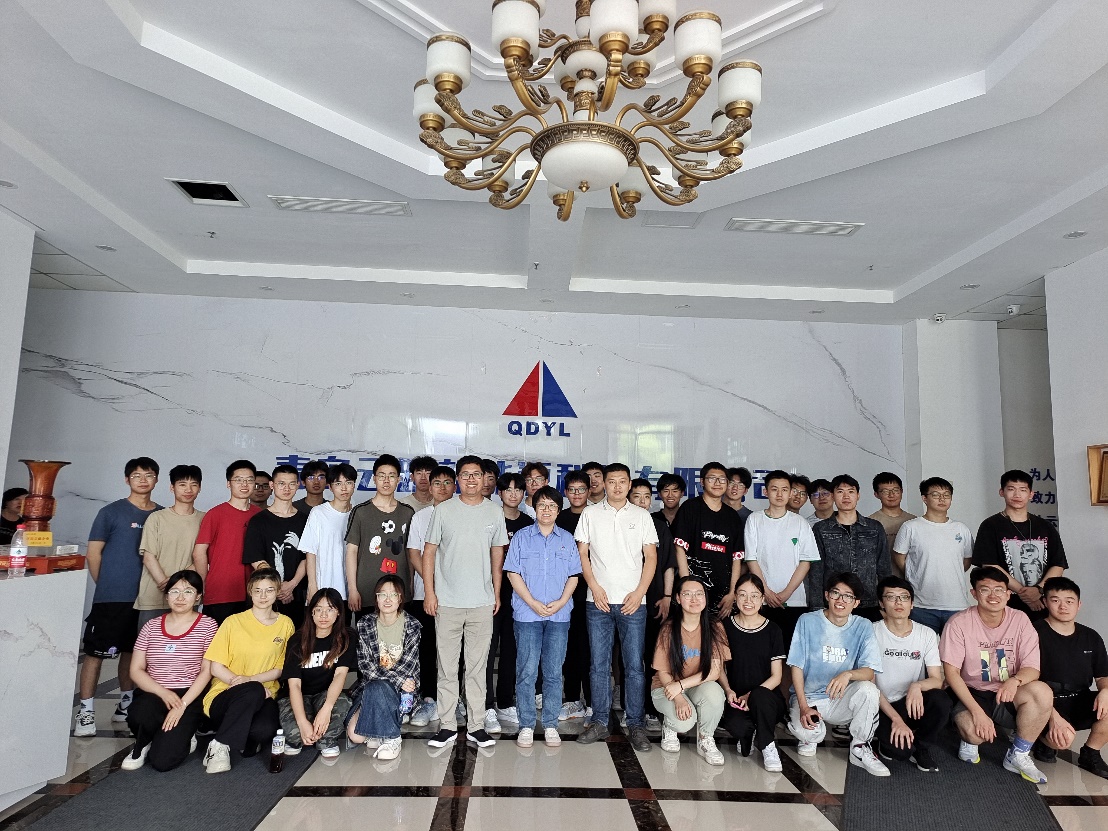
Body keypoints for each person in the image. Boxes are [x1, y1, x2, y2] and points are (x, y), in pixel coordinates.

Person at [422, 456, 508, 749]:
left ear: (484, 478)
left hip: (482, 602)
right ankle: (447, 726)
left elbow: (497, 555)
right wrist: (430, 593)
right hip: (447, 602)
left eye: (476, 474)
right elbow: (429, 552)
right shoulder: (444, 510)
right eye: (466, 474)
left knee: (477, 668)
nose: (471, 479)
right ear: (458, 479)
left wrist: (496, 593)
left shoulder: (494, 512)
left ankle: (476, 726)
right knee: (447, 667)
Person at [939, 565, 1053, 783]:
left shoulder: (1020, 620)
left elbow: (1033, 668)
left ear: (1008, 594)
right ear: (974, 593)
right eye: (985, 589)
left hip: (1007, 691)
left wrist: (1014, 680)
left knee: (1042, 691)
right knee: (975, 734)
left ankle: (1017, 755)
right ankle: (968, 737)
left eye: (999, 589)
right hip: (971, 691)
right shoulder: (958, 623)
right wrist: (977, 712)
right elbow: (951, 673)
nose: (993, 595)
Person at [75, 456, 161, 737]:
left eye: (149, 475)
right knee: (95, 654)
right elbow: (93, 554)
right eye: (137, 475)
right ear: (127, 479)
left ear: (157, 479)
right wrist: (106, 585)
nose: (143, 480)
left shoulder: (161, 514)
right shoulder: (110, 512)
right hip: (112, 597)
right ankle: (86, 711)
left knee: (133, 652)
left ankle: (125, 704)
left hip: (147, 598)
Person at [575, 463, 658, 753]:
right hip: (597, 601)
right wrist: (595, 587)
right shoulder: (590, 513)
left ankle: (635, 723)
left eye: (623, 481)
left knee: (634, 666)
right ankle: (599, 721)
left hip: (633, 602)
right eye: (612, 481)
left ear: (629, 484)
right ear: (603, 484)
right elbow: (582, 553)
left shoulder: (642, 515)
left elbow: (651, 557)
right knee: (598, 665)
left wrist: (639, 593)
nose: (617, 486)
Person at [786, 572, 890, 777]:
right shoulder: (807, 621)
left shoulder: (863, 626)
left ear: (856, 602)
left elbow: (869, 671)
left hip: (841, 699)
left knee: (869, 689)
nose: (841, 600)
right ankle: (807, 733)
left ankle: (859, 747)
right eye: (836, 593)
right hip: (810, 699)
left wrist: (847, 674)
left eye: (848, 596)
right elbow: (796, 666)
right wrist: (804, 706)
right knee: (811, 736)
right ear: (827, 595)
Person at [504, 486, 581, 747]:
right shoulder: (521, 537)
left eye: (551, 506)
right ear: (534, 508)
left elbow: (574, 575)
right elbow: (513, 573)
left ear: (558, 510)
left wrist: (561, 602)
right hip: (527, 614)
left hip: (559, 616)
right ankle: (526, 724)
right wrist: (533, 603)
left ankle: (550, 724)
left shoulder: (567, 539)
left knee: (553, 671)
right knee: (526, 671)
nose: (546, 510)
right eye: (541, 505)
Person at [201, 568, 295, 774]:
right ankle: (219, 745)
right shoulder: (232, 622)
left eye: (269, 590)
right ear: (250, 592)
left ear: (277, 591)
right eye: (257, 590)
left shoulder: (285, 624)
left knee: (264, 730)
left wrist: (252, 681)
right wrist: (246, 684)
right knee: (252, 690)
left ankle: (241, 737)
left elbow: (280, 668)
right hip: (226, 694)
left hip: (265, 694)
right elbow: (216, 666)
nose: (263, 596)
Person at [122, 570, 217, 771]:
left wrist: (182, 705)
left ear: (198, 596)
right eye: (174, 591)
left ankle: (184, 735)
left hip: (189, 695)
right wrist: (163, 692)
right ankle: (143, 741)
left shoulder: (208, 625)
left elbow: (206, 671)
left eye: (188, 591)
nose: (180, 597)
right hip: (155, 692)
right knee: (139, 714)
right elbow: (136, 670)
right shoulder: (151, 626)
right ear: (166, 596)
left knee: (163, 761)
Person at [872, 576, 951, 772]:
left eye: (904, 597)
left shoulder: (926, 634)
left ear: (912, 603)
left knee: (941, 700)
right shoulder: (871, 632)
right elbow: (869, 686)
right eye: (891, 597)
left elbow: (937, 679)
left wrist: (917, 686)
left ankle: (922, 747)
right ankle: (884, 739)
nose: (898, 602)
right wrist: (896, 719)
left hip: (912, 702)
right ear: (881, 603)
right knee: (899, 753)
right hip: (882, 704)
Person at [1032, 577, 1108, 777]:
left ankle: (1091, 753)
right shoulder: (1033, 632)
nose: (1063, 606)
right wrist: (1053, 717)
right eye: (1055, 600)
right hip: (1045, 703)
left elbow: (1103, 676)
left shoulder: (1091, 636)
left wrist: (1106, 691)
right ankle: (1040, 738)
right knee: (1063, 740)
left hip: (1079, 699)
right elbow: (1027, 681)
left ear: (1079, 604)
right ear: (1045, 602)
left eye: (1069, 601)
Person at [651, 576, 730, 765]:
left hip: (694, 685)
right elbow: (663, 672)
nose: (694, 599)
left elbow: (714, 671)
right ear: (678, 598)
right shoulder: (669, 629)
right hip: (666, 687)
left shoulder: (715, 627)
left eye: (699, 594)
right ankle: (670, 727)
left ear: (705, 597)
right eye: (687, 594)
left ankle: (705, 739)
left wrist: (681, 685)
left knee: (715, 693)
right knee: (685, 721)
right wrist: (678, 697)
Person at [972, 469, 1068, 619]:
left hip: (1043, 602)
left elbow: (1058, 564)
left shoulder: (1045, 526)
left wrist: (1038, 590)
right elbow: (989, 564)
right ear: (1001, 492)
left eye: (1023, 490)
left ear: (1031, 494)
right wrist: (1025, 593)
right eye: (1011, 489)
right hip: (1005, 603)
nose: (1017, 495)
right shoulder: (990, 525)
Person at [347, 574, 422, 760]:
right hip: (370, 687)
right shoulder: (365, 624)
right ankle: (382, 729)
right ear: (376, 598)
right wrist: (398, 679)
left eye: (393, 594)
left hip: (401, 692)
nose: (388, 599)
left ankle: (391, 738)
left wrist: (398, 680)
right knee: (355, 736)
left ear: (400, 598)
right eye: (382, 594)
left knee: (379, 685)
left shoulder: (412, 625)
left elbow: (408, 668)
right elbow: (366, 667)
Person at [743, 469, 821, 648]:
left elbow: (806, 561)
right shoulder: (754, 520)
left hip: (794, 600)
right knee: (762, 650)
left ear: (790, 493)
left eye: (784, 489)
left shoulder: (800, 523)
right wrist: (766, 592)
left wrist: (786, 593)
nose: (779, 494)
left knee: (790, 651)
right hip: (760, 599)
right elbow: (751, 559)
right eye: (774, 489)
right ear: (765, 492)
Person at [404, 465, 457, 728]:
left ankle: (454, 700)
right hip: (425, 593)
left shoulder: (463, 514)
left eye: (448, 483)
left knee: (454, 650)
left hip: (457, 595)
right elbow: (413, 552)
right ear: (430, 486)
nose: (442, 488)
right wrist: (430, 582)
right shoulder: (421, 516)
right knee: (427, 648)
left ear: (455, 486)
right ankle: (429, 699)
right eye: (437, 483)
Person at [719, 573, 787, 771]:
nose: (748, 601)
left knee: (760, 697)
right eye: (742, 595)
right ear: (735, 597)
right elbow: (719, 668)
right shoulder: (725, 627)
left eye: (754, 596)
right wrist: (728, 691)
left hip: (767, 699)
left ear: (763, 599)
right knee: (737, 727)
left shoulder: (773, 630)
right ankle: (750, 732)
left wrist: (751, 695)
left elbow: (777, 676)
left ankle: (767, 745)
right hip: (736, 698)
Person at [484, 471, 535, 733]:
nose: (513, 494)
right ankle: (486, 706)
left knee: (512, 651)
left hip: (519, 596)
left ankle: (505, 702)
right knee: (487, 650)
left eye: (518, 490)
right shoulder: (490, 519)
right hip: (490, 594)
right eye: (508, 489)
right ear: (500, 493)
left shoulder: (528, 523)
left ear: (524, 494)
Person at [278, 588, 355, 759]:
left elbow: (340, 675)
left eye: (330, 609)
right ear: (311, 612)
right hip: (299, 695)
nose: (323, 615)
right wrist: (302, 722)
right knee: (296, 734)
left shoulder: (346, 637)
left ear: (338, 613)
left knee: (341, 703)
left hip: (325, 694)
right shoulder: (297, 640)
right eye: (318, 609)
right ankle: (303, 735)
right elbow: (294, 685)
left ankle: (326, 740)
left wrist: (326, 709)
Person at [891, 477, 972, 633]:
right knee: (922, 647)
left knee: (957, 648)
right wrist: (915, 574)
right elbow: (899, 557)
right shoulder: (911, 527)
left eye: (946, 495)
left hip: (956, 604)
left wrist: (949, 572)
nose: (942, 499)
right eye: (935, 495)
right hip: (921, 606)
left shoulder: (961, 529)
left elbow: (967, 560)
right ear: (924, 498)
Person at [811, 475, 890, 621]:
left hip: (869, 602)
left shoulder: (874, 528)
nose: (846, 496)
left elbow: (884, 568)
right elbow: (816, 571)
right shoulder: (821, 529)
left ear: (858, 495)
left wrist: (885, 604)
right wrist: (817, 608)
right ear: (833, 496)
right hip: (835, 603)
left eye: (851, 491)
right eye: (840, 492)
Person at [135, 465, 204, 630]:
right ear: (172, 487)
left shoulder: (206, 519)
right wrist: (168, 586)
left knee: (185, 643)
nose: (188, 489)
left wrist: (180, 585)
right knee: (150, 643)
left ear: (200, 488)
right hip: (154, 596)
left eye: (194, 484)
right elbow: (148, 557)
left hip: (188, 595)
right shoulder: (156, 518)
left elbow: (205, 556)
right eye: (182, 484)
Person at [671, 462, 744, 619]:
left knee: (720, 633)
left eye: (722, 479)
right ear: (702, 482)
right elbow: (679, 549)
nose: (717, 483)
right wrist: (686, 586)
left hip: (723, 598)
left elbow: (737, 558)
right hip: (692, 595)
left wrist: (732, 593)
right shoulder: (690, 508)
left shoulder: (732, 517)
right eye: (712, 478)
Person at [631, 478, 676, 730]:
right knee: (629, 657)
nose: (642, 501)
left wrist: (667, 596)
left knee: (652, 655)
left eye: (646, 497)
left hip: (655, 600)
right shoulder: (621, 524)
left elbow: (669, 564)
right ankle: (630, 707)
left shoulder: (660, 526)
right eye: (636, 496)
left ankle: (650, 709)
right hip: (626, 602)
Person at [192, 460, 260, 624]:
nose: (244, 484)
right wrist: (203, 584)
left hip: (254, 593)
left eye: (249, 480)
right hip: (221, 592)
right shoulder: (215, 514)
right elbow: (199, 552)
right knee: (218, 638)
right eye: (238, 480)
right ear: (228, 484)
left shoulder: (260, 515)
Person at [345, 455, 415, 615]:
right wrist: (353, 589)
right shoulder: (360, 511)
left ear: (398, 480)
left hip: (399, 591)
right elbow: (351, 552)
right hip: (366, 591)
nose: (386, 481)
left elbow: (410, 553)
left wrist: (411, 584)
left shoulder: (407, 513)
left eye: (391, 476)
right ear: (374, 479)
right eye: (382, 476)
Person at [243, 465, 309, 629]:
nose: (287, 488)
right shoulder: (258, 520)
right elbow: (256, 558)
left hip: (297, 594)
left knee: (295, 638)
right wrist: (277, 587)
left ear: (298, 485)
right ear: (272, 485)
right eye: (281, 483)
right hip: (266, 595)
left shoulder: (306, 520)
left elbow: (308, 557)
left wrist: (291, 585)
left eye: (291, 484)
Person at [557, 470, 593, 722]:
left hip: (593, 593)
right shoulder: (559, 518)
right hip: (564, 595)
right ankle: (571, 700)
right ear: (565, 492)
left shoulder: (597, 516)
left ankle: (592, 702)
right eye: (572, 489)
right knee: (569, 651)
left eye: (581, 489)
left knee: (591, 651)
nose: (577, 494)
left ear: (589, 491)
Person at [302, 463, 358, 600]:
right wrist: (312, 585)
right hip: (324, 586)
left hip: (351, 588)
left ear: (354, 485)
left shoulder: (358, 513)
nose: (344, 488)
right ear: (330, 487)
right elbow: (310, 552)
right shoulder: (318, 513)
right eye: (338, 483)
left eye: (348, 482)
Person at [868, 473, 916, 560]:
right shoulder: (870, 523)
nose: (891, 495)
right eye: (885, 491)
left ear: (901, 491)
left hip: (908, 569)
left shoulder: (913, 520)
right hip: (882, 569)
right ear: (876, 494)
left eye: (896, 490)